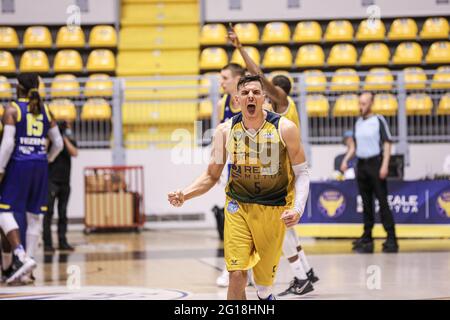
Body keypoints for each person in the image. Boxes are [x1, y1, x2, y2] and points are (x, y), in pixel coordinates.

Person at [168, 75, 310, 300]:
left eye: (255, 92)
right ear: (237, 99)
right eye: (245, 93)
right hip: (237, 207)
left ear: (264, 97)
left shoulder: (285, 129)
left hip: (273, 210)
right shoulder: (224, 132)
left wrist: (298, 209)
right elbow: (211, 175)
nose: (250, 96)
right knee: (236, 275)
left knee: (263, 289)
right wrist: (185, 194)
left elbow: (302, 173)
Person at [228, 25, 319, 296]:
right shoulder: (272, 113)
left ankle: (300, 276)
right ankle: (304, 272)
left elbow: (258, 77)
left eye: (266, 92)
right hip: (276, 162)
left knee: (281, 226)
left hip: (283, 169)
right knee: (287, 230)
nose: (262, 96)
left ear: (276, 93)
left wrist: (240, 49)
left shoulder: (281, 102)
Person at [0, 73, 63, 284]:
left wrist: (0, 168)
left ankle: (20, 255)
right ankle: (27, 269)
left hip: (19, 164)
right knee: (34, 216)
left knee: (3, 210)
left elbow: (8, 144)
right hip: (40, 165)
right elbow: (59, 144)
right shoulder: (46, 110)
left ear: (18, 87)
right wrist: (48, 159)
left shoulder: (12, 109)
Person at [341, 92, 398, 253]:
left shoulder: (378, 120)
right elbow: (354, 146)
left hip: (376, 163)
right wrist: (346, 160)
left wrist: (385, 165)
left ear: (371, 103)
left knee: (383, 202)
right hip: (362, 165)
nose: (361, 106)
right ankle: (367, 239)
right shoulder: (358, 122)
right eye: (360, 103)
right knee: (366, 204)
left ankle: (391, 238)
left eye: (364, 103)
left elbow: (387, 143)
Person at [214, 62, 246, 287]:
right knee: (232, 220)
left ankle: (250, 270)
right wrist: (215, 169)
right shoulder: (221, 104)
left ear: (238, 79)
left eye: (225, 77)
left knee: (252, 224)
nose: (221, 82)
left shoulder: (251, 102)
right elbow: (219, 138)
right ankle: (231, 268)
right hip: (232, 170)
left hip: (255, 170)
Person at [43, 120, 78, 253]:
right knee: (48, 213)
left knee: (63, 213)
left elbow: (75, 153)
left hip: (65, 183)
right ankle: (47, 243)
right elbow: (44, 150)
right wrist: (52, 137)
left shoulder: (68, 139)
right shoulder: (51, 140)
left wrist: (63, 138)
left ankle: (62, 242)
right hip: (51, 182)